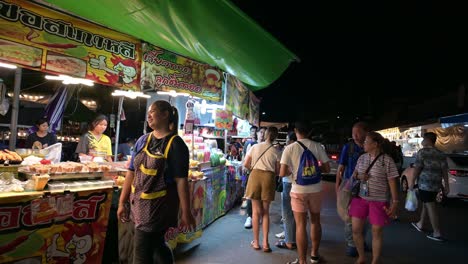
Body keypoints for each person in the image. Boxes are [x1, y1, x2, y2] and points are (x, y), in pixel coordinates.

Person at [117, 100, 195, 264]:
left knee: (141, 255)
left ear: (165, 114)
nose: (148, 116)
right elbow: (131, 172)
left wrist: (186, 212)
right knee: (158, 245)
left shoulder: (176, 145)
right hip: (138, 205)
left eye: (152, 111)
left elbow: (182, 181)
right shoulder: (142, 140)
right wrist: (122, 202)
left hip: (158, 209)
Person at [281, 121, 330, 264]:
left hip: (298, 190)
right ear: (309, 132)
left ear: (296, 131)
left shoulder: (289, 148)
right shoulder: (317, 146)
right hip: (315, 190)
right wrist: (313, 170)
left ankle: (302, 261)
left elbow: (282, 172)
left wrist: (296, 171)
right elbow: (327, 169)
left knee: (300, 225)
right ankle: (314, 255)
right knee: (315, 221)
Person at [349, 131, 399, 264]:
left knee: (376, 232)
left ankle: (375, 260)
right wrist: (360, 176)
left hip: (379, 200)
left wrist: (395, 202)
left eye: (366, 141)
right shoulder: (362, 158)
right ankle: (361, 256)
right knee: (355, 229)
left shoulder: (386, 160)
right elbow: (354, 175)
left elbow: (392, 181)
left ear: (375, 144)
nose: (364, 143)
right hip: (360, 198)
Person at [336, 121, 370, 257]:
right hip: (350, 185)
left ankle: (361, 241)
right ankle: (351, 243)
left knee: (365, 215)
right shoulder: (348, 147)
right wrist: (337, 186)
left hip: (367, 186)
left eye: (357, 133)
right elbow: (341, 167)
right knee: (350, 215)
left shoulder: (371, 147)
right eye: (353, 133)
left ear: (366, 133)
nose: (354, 136)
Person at [243, 126, 280, 252]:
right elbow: (278, 171)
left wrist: (253, 168)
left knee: (255, 212)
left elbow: (246, 164)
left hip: (255, 177)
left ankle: (256, 242)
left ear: (265, 134)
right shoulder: (276, 151)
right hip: (269, 179)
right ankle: (265, 243)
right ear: (275, 137)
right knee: (265, 212)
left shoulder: (255, 147)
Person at [411, 132, 448, 242]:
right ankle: (420, 224)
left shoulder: (422, 152)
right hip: (436, 184)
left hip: (424, 183)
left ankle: (437, 233)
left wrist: (412, 182)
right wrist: (446, 185)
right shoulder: (441, 153)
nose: (422, 141)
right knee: (427, 202)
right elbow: (445, 171)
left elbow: (417, 168)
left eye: (423, 139)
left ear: (427, 140)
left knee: (430, 205)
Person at [275, 131, 297, 250]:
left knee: (288, 213)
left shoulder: (289, 150)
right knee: (296, 214)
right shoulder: (305, 148)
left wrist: (286, 172)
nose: (287, 141)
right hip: (299, 185)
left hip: (288, 183)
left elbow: (282, 172)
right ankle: (291, 236)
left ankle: (289, 241)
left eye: (288, 139)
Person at [242, 126, 266, 229]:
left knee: (261, 197)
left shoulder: (267, 146)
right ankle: (249, 216)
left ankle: (258, 215)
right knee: (251, 196)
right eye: (260, 132)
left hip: (263, 176)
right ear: (257, 133)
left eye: (264, 133)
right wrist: (248, 169)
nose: (262, 134)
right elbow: (245, 160)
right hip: (252, 174)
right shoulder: (251, 145)